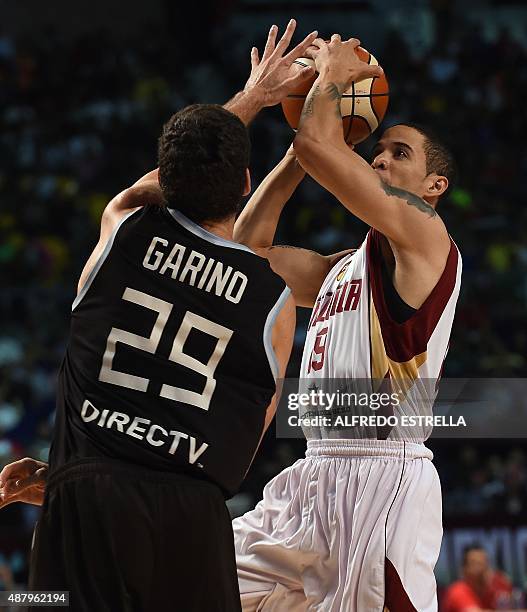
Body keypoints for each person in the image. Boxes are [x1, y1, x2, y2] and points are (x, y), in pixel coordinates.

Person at [0, 20, 318, 612]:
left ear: (165, 183)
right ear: (246, 184)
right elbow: (244, 438)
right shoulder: (273, 301)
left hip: (84, 498)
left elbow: (156, 184)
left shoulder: (123, 226)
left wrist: (251, 96)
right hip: (190, 520)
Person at [231, 36, 461, 611]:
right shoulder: (339, 269)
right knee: (197, 580)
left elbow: (318, 142)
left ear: (434, 187)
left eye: (400, 153)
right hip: (312, 473)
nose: (381, 158)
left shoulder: (430, 240)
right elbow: (246, 249)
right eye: (378, 150)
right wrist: (294, 158)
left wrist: (331, 75)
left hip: (383, 479)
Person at [442, 545, 513, 612]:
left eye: (485, 563)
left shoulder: (493, 590)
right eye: (476, 564)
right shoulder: (458, 591)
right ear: (464, 570)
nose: (482, 569)